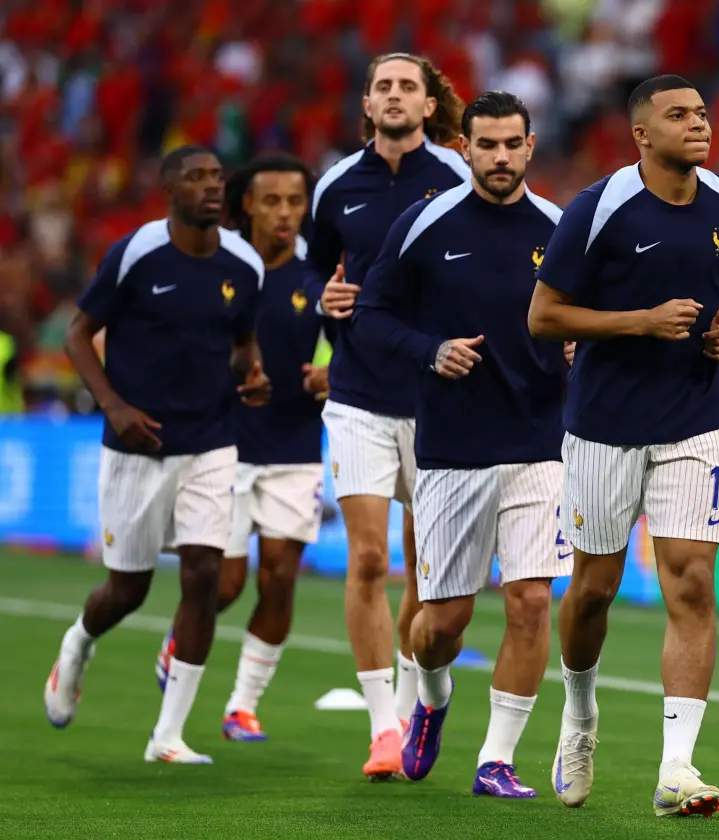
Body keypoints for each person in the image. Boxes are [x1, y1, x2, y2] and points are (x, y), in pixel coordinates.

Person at [528, 74, 719, 817]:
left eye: (702, 112)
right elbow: (544, 316)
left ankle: (678, 771)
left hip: (694, 421)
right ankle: (580, 714)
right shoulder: (598, 210)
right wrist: (640, 322)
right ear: (641, 134)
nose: (699, 124)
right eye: (679, 115)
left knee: (690, 583)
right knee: (594, 589)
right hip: (603, 427)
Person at [353, 90, 572, 797]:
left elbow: (585, 316)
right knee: (437, 625)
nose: (501, 157)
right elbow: (373, 314)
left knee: (532, 601)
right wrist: (431, 349)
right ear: (466, 149)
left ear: (531, 147)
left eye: (514, 144)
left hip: (541, 442)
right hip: (451, 449)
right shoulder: (426, 222)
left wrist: (578, 346)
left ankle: (496, 760)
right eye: (488, 145)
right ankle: (432, 698)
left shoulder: (561, 228)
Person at [44, 146, 271, 764]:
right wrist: (113, 406)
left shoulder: (243, 262)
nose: (211, 187)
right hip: (136, 445)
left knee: (204, 577)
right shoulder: (136, 253)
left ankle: (167, 735)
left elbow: (242, 343)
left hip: (212, 440)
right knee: (128, 591)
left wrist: (252, 375)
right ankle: (78, 644)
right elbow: (76, 334)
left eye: (217, 178)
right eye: (196, 178)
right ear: (168, 191)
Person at [310, 52, 470, 779]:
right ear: (368, 105)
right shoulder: (337, 185)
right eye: (383, 87)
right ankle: (381, 728)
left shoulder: (460, 179)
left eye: (409, 86)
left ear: (428, 104)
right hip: (358, 396)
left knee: (427, 572)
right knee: (369, 557)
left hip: (436, 399)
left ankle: (411, 709)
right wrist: (323, 297)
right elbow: (313, 267)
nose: (396, 96)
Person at [154, 153, 331, 742]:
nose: (285, 213)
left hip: (296, 443)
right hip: (223, 444)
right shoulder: (217, 262)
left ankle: (242, 705)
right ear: (246, 204)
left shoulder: (321, 272)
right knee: (222, 584)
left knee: (279, 577)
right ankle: (179, 643)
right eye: (272, 200)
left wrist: (331, 373)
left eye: (295, 202)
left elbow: (350, 341)